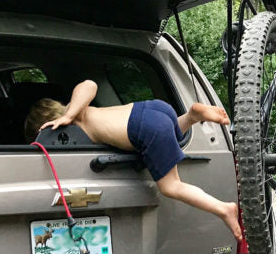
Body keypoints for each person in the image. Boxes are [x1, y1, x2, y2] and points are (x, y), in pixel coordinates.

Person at [26, 80, 242, 240]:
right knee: (169, 138)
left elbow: (89, 84)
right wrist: (70, 111)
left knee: (170, 186)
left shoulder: (77, 117)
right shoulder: (83, 110)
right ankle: (191, 116)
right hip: (154, 109)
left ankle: (223, 209)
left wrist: (68, 116)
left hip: (145, 127)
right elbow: (89, 84)